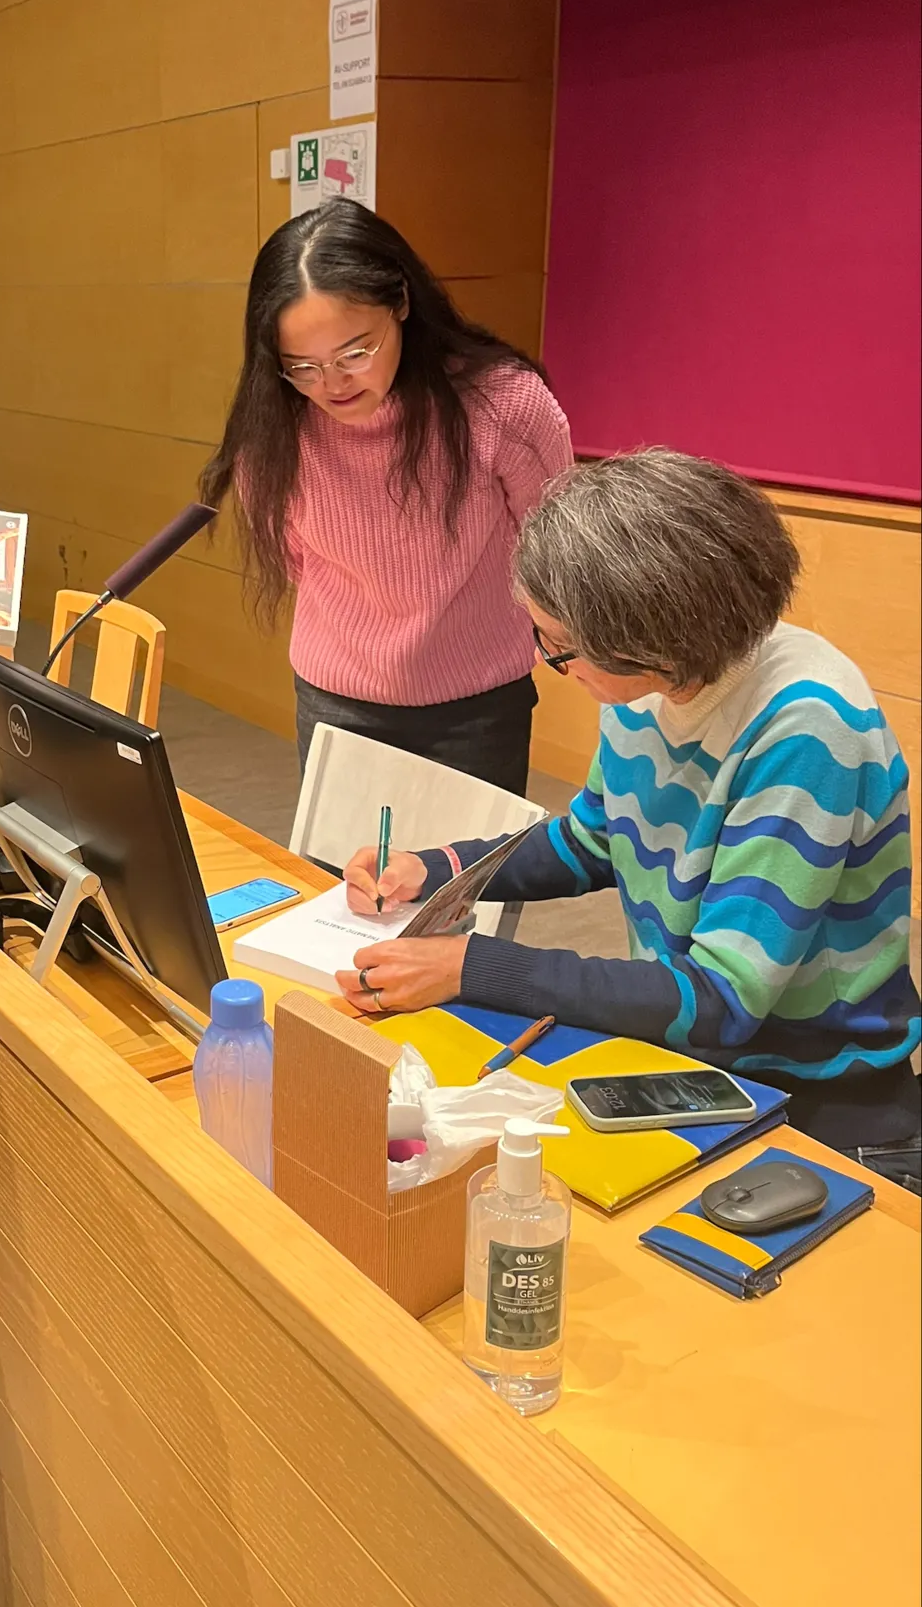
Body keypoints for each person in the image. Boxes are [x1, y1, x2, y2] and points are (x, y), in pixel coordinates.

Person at [337, 450, 920, 1184]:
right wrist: (436, 869)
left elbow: (721, 999)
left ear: (652, 638)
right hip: (689, 1055)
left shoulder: (809, 730)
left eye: (561, 647)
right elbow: (591, 842)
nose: (555, 662)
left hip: (820, 1091)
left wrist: (470, 966)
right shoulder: (650, 687)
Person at [200, 199, 573, 794]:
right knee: (342, 885)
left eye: (355, 352)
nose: (332, 385)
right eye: (302, 365)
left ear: (400, 302)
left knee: (471, 886)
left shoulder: (503, 404)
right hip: (337, 704)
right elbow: (297, 561)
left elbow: (556, 548)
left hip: (477, 705)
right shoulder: (273, 428)